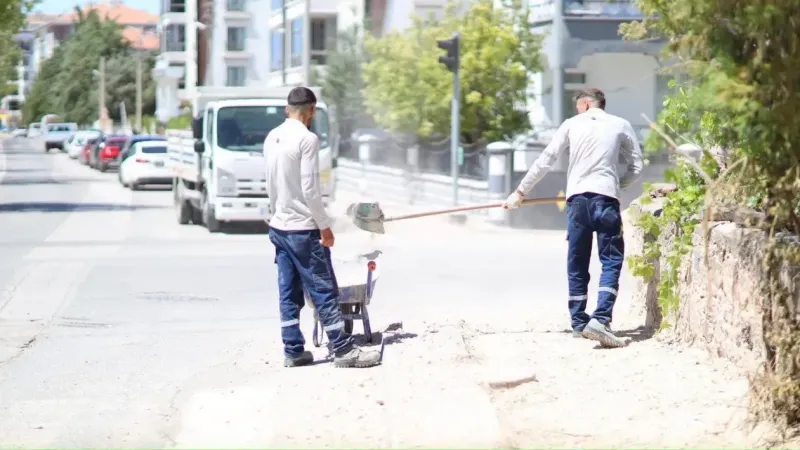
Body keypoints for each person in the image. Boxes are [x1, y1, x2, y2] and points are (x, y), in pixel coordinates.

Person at [503, 88, 643, 348]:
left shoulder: (571, 124)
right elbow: (636, 166)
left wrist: (520, 192)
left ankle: (579, 321)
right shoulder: (621, 125)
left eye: (578, 106)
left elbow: (546, 159)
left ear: (587, 104)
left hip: (577, 201)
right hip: (606, 199)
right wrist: (617, 184)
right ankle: (600, 319)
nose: (577, 111)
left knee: (577, 260)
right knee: (611, 260)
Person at [264, 87, 382, 368]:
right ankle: (343, 350)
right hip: (303, 230)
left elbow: (269, 182)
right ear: (311, 111)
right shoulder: (307, 139)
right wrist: (324, 226)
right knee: (324, 288)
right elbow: (310, 190)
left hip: (279, 227)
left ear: (287, 109)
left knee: (289, 292)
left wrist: (275, 214)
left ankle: (293, 351)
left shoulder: (272, 137)